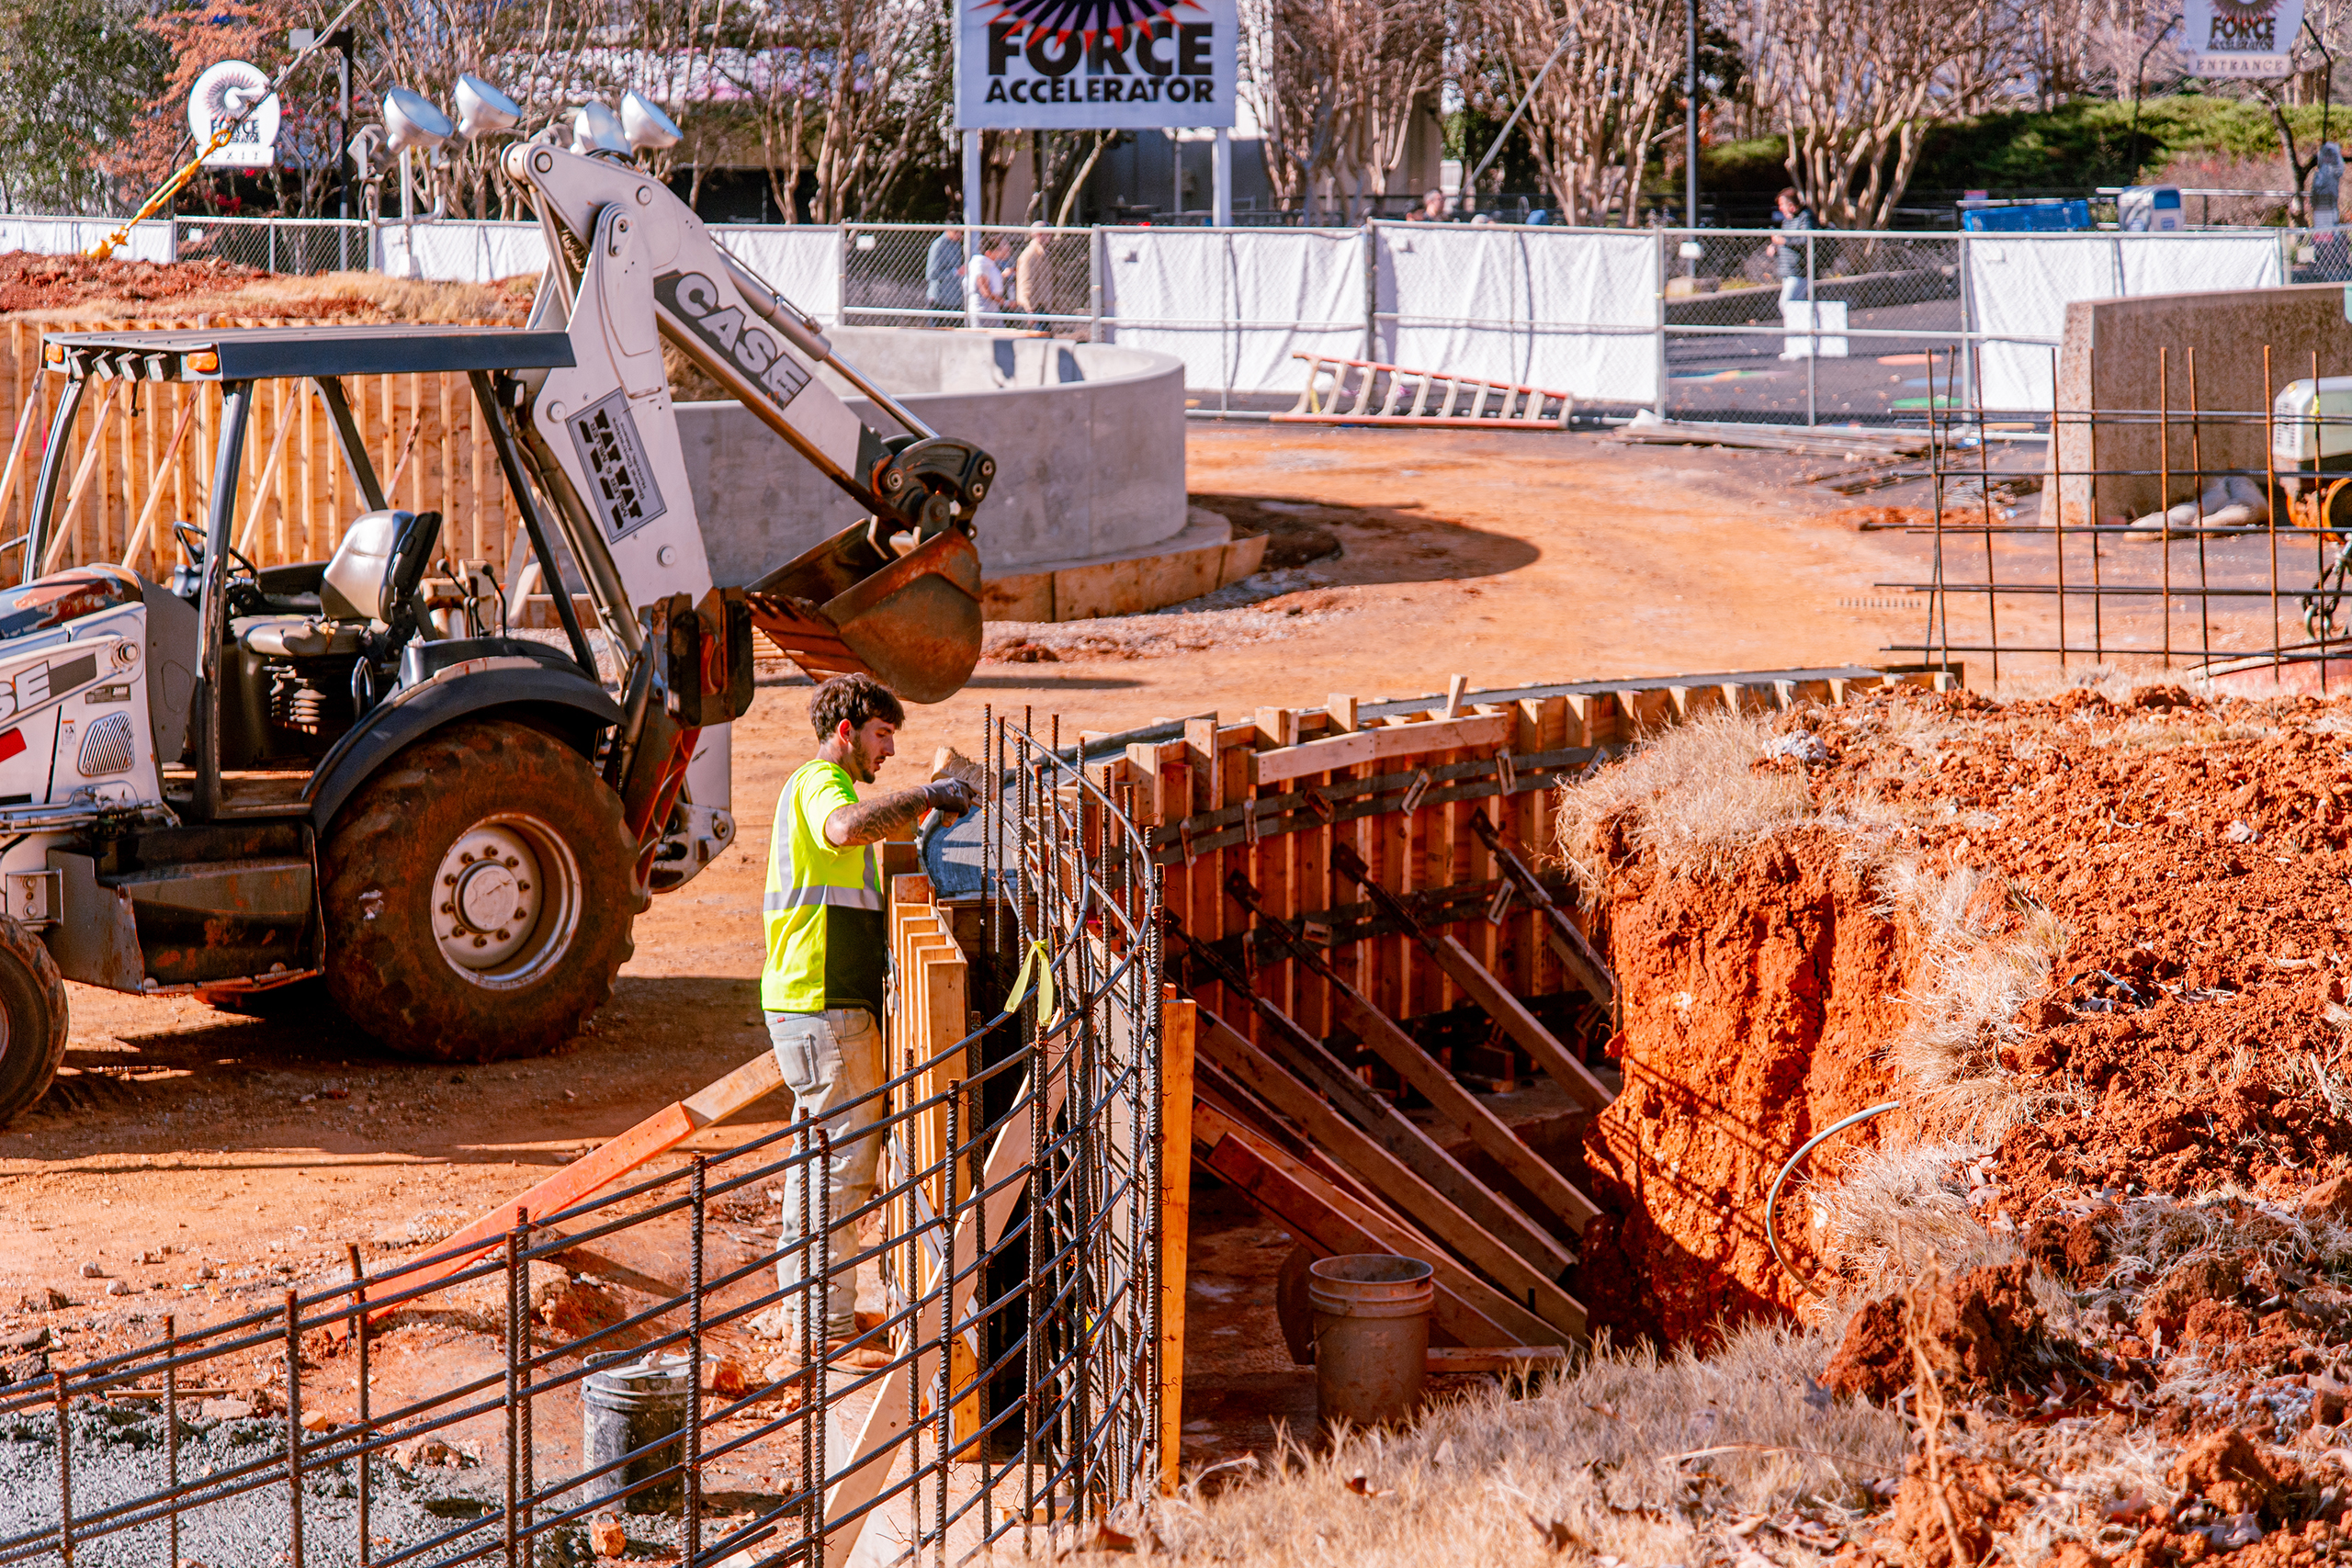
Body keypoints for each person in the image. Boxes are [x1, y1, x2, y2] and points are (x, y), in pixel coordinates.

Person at [764, 673, 973, 1359]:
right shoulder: (827, 785)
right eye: (882, 735)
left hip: (801, 1003)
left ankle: (807, 1309)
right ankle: (823, 1329)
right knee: (846, 1167)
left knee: (813, 1157)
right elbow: (847, 827)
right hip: (827, 1007)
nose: (888, 750)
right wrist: (930, 797)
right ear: (847, 730)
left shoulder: (809, 784)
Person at [1766, 187, 1814, 306]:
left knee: (1786, 303)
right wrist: (1774, 246)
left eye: (1782, 204)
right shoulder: (1787, 221)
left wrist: (1783, 241)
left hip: (1799, 271)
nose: (1780, 208)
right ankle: (1802, 324)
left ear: (1791, 205)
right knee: (1796, 305)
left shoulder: (1805, 217)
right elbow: (1784, 239)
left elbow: (1804, 240)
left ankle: (1797, 325)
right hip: (1787, 270)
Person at [966, 233, 1013, 327]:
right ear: (989, 252)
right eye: (998, 249)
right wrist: (1006, 303)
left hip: (993, 311)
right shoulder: (981, 263)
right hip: (983, 312)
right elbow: (985, 291)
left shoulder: (991, 264)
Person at [1014, 220, 1051, 329]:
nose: (1051, 236)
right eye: (1048, 233)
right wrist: (1029, 309)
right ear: (1039, 234)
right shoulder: (1030, 255)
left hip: (1040, 306)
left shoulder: (1040, 252)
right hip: (1033, 309)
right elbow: (1025, 282)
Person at [925, 228, 965, 321]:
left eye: (961, 232)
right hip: (940, 300)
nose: (959, 235)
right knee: (938, 333)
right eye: (956, 231)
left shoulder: (957, 245)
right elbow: (932, 275)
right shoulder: (938, 245)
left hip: (955, 300)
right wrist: (955, 272)